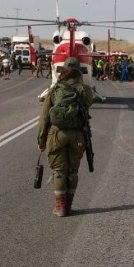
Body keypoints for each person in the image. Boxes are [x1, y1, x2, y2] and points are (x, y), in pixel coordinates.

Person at [37, 57, 94, 217]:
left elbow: (44, 118)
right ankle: (68, 206)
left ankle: (61, 208)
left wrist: (41, 140)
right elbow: (88, 105)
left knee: (59, 171)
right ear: (79, 72)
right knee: (72, 171)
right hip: (78, 135)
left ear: (64, 71)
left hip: (57, 135)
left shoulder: (55, 89)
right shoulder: (86, 90)